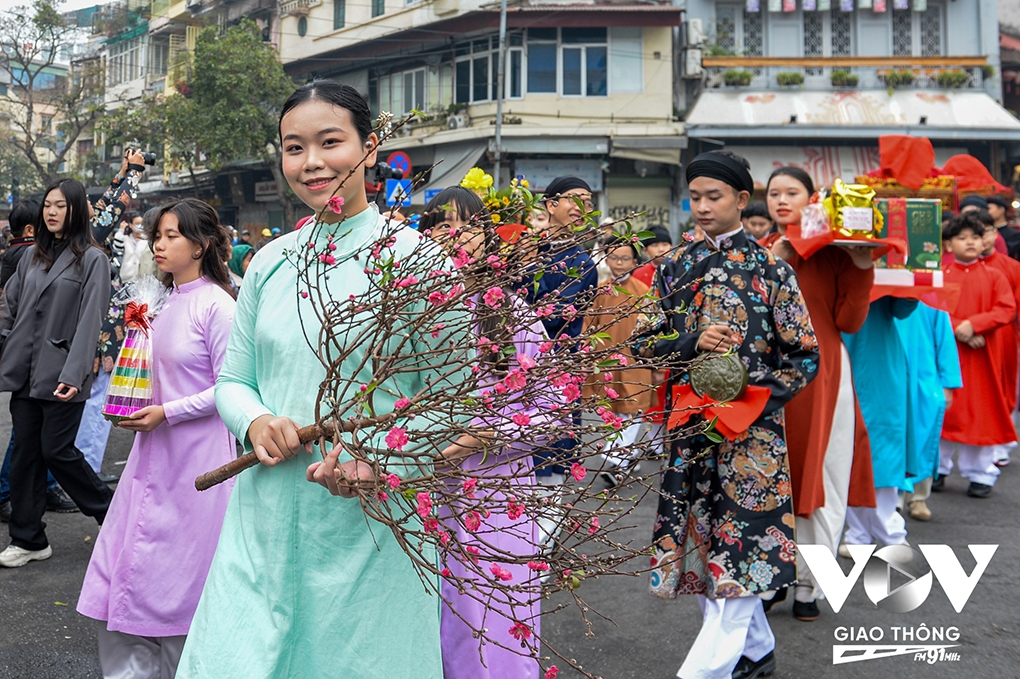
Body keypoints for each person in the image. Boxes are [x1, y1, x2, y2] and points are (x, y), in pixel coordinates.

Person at [176, 81, 469, 678]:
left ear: (371, 147)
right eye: (293, 147)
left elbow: (455, 402)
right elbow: (234, 381)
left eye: (330, 142)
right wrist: (256, 419)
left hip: (373, 522)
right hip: (265, 515)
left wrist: (381, 460)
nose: (311, 163)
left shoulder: (421, 263)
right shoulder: (269, 262)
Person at [648, 151, 819, 679]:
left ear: (743, 201)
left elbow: (805, 355)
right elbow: (646, 347)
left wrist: (754, 402)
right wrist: (691, 340)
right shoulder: (672, 267)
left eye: (713, 197)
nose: (701, 207)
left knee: (741, 549)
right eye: (694, 197)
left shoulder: (773, 270)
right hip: (692, 432)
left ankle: (705, 672)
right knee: (703, 549)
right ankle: (757, 651)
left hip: (753, 440)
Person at [77, 198, 236, 678]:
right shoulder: (160, 303)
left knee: (180, 573)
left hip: (197, 461)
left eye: (171, 236)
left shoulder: (218, 306)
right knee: (128, 563)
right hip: (150, 454)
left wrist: (169, 411)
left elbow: (231, 389)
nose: (159, 245)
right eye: (157, 236)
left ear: (202, 244)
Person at [417, 185, 550, 679]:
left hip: (498, 493)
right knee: (434, 613)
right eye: (440, 226)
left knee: (494, 614)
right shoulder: (408, 314)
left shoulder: (513, 315)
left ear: (487, 238)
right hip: (423, 489)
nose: (455, 237)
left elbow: (554, 408)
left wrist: (482, 437)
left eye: (468, 226)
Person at [766, 166, 876, 622]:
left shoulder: (837, 254)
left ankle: (810, 583)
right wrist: (775, 258)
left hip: (824, 374)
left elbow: (850, 322)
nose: (782, 200)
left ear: (814, 199)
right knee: (773, 476)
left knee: (823, 478)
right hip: (769, 375)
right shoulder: (761, 252)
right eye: (774, 193)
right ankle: (773, 575)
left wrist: (863, 267)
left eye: (793, 192)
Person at [0, 179, 114, 567]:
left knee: (57, 451)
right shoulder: (33, 255)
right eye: (48, 205)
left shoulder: (93, 259)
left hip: (65, 372)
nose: (51, 212)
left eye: (60, 206)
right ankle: (29, 538)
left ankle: (110, 513)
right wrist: (5, 340)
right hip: (26, 372)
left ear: (77, 210)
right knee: (24, 456)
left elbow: (90, 320)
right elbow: (10, 304)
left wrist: (76, 371)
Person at [523, 176, 599, 545]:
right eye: (574, 199)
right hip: (516, 370)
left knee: (550, 464)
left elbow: (554, 316)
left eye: (588, 200)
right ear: (550, 204)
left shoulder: (583, 263)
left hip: (555, 371)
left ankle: (542, 548)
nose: (582, 206)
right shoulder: (522, 250)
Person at [938, 213, 1017, 498]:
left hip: (984, 357)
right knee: (944, 413)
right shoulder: (942, 276)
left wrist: (976, 325)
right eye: (962, 238)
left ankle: (981, 473)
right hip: (951, 354)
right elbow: (933, 311)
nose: (970, 243)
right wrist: (962, 327)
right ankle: (939, 468)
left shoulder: (995, 276)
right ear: (949, 246)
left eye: (974, 237)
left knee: (980, 414)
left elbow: (1006, 309)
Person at [841, 296, 918, 547]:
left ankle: (889, 529)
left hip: (881, 353)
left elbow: (903, 308)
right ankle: (858, 531)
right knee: (844, 442)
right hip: (840, 344)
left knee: (885, 443)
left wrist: (909, 289)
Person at [582, 235, 655, 486]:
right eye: (613, 257)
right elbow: (589, 326)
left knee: (634, 410)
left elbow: (652, 329)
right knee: (612, 411)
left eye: (625, 258)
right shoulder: (600, 291)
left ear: (635, 260)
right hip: (606, 361)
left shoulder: (644, 292)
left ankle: (616, 461)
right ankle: (625, 457)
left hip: (636, 360)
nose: (619, 263)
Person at [895, 303, 961, 521]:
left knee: (924, 435)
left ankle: (919, 497)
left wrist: (947, 384)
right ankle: (893, 497)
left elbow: (945, 340)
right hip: (892, 372)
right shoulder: (882, 290)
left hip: (925, 377)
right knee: (894, 436)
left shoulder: (933, 298)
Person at [119, 212, 157, 284]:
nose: (140, 226)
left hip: (142, 280)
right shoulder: (125, 239)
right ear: (131, 225)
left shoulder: (147, 241)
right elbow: (117, 247)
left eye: (141, 223)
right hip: (126, 279)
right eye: (137, 223)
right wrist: (121, 230)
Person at [987, 195, 1020, 261]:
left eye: (989, 209)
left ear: (1001, 210)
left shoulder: (1015, 235)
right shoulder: (984, 232)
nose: (987, 212)